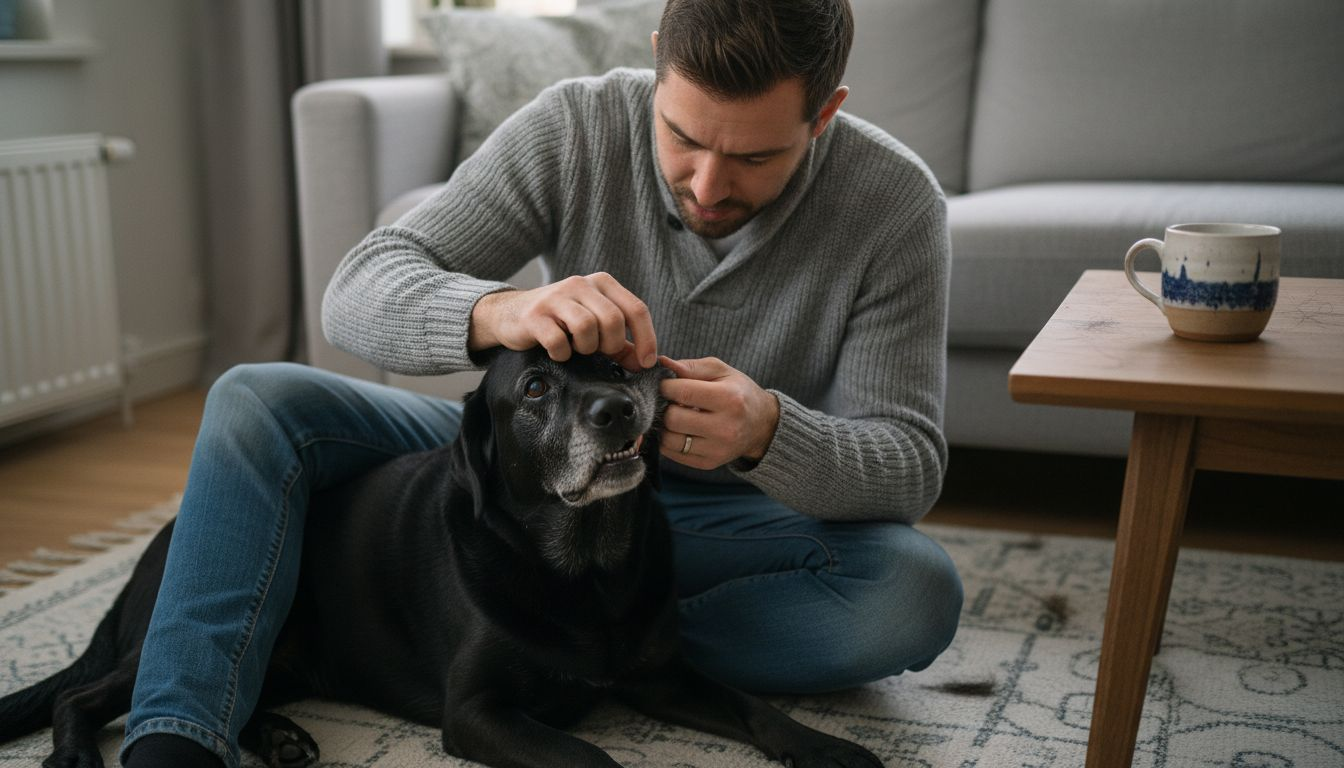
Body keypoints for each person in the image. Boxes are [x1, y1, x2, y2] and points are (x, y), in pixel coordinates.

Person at [120, 0, 962, 765]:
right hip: (540, 462)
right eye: (682, 137)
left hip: (724, 515)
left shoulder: (894, 204)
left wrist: (770, 431)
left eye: (755, 156)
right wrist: (501, 308)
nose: (708, 185)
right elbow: (357, 289)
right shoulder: (576, 126)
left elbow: (910, 463)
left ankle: (586, 655)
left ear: (825, 114)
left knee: (911, 597)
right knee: (255, 399)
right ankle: (179, 732)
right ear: (658, 62)